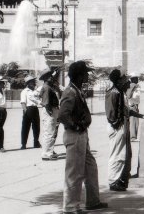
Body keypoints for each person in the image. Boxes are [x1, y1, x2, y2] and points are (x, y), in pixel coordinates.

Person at [58, 60, 107, 213]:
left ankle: (92, 201)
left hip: (81, 136)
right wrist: (76, 126)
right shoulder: (70, 92)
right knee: (74, 172)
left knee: (90, 168)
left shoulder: (76, 90)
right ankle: (71, 207)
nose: (87, 75)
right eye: (85, 73)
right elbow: (63, 115)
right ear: (79, 76)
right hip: (75, 135)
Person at [106, 69, 144, 192]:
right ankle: (113, 181)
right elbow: (111, 113)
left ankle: (121, 178)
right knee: (117, 154)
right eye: (125, 79)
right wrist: (117, 124)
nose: (128, 82)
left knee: (124, 153)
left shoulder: (120, 92)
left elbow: (125, 109)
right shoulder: (113, 92)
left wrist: (140, 115)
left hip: (122, 124)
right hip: (118, 126)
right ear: (119, 80)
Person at [38, 68, 62, 161]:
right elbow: (46, 102)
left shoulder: (47, 86)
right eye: (50, 76)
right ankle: (47, 153)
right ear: (46, 78)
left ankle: (47, 151)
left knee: (48, 132)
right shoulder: (47, 87)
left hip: (50, 110)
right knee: (49, 132)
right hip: (50, 110)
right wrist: (50, 112)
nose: (52, 77)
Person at [20, 75, 41, 149]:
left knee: (36, 127)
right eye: (31, 82)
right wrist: (25, 112)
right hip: (28, 109)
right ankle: (23, 144)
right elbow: (23, 103)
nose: (33, 83)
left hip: (35, 109)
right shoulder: (24, 91)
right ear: (28, 83)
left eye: (33, 81)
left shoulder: (35, 91)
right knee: (25, 127)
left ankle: (36, 142)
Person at [127, 76, 141, 141]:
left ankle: (133, 136)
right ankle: (133, 137)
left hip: (135, 105)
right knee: (134, 122)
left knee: (135, 122)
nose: (137, 79)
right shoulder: (132, 86)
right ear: (133, 79)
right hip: (132, 105)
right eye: (136, 78)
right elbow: (129, 96)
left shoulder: (136, 86)